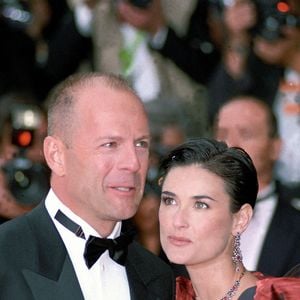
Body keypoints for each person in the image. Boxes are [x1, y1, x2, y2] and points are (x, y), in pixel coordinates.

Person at [0, 72, 174, 299]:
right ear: (56, 155)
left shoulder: (158, 276)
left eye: (141, 144)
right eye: (110, 144)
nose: (133, 163)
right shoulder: (5, 257)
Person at [158, 137, 300, 299]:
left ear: (241, 219)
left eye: (200, 205)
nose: (178, 221)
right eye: (170, 201)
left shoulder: (278, 296)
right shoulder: (162, 292)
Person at [214, 96, 300, 276]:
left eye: (246, 133)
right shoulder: (187, 218)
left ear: (275, 148)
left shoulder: (295, 226)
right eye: (222, 134)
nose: (231, 144)